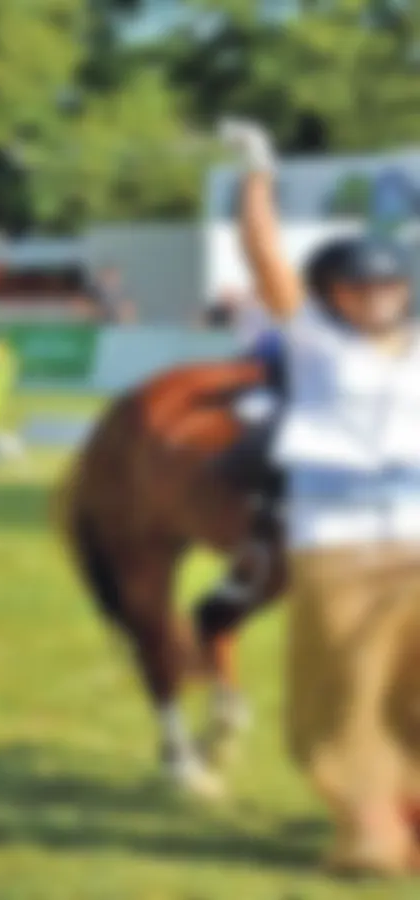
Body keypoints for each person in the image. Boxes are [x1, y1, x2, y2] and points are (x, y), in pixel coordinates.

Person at [222, 116, 420, 876]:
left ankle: (400, 814)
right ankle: (371, 828)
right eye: (361, 287)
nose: (377, 297)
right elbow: (266, 259)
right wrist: (259, 176)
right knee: (347, 692)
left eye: (389, 285)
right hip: (338, 546)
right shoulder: (314, 339)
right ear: (337, 294)